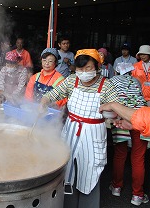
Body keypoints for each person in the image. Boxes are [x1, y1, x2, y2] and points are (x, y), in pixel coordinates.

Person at [40, 49, 119, 208]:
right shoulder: (71, 81)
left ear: (97, 67)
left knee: (89, 171)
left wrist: (114, 113)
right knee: (67, 168)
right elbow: (51, 95)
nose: (83, 72)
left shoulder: (106, 85)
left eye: (88, 68)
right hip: (71, 129)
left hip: (93, 132)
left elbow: (116, 108)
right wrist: (43, 103)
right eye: (80, 69)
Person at [108, 63, 148, 206]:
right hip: (140, 118)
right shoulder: (136, 81)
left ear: (116, 71)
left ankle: (116, 187)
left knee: (120, 154)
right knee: (138, 158)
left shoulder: (111, 81)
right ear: (131, 71)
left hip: (120, 118)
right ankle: (137, 195)